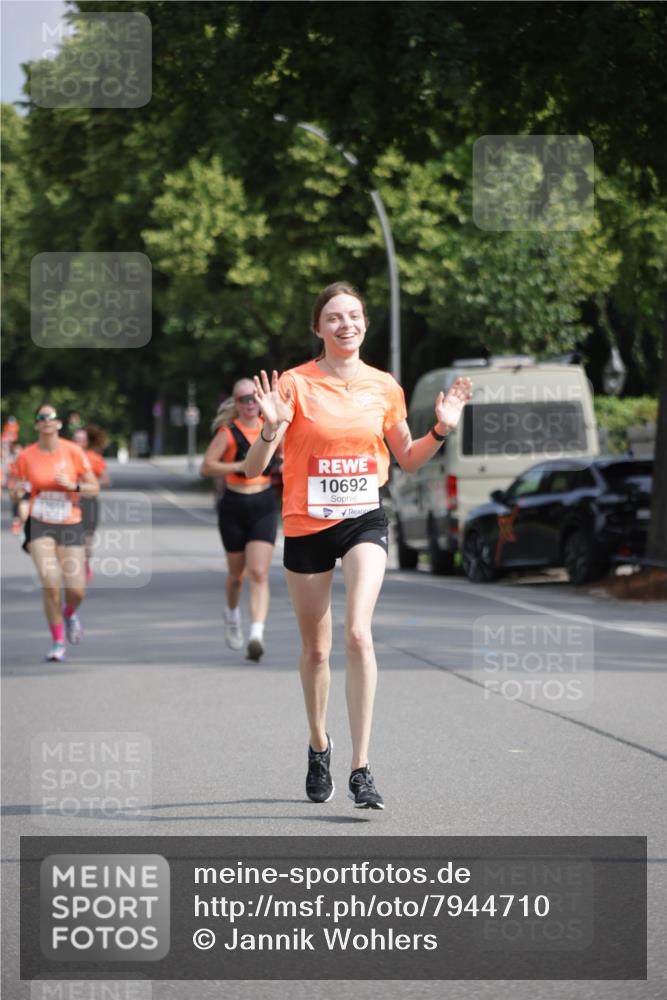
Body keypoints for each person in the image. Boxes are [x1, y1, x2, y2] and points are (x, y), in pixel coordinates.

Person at [244, 281, 472, 809]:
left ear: (365, 323)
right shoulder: (295, 385)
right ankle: (319, 743)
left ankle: (361, 767)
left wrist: (441, 428)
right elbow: (255, 469)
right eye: (334, 318)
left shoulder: (384, 386)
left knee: (358, 635)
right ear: (318, 328)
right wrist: (269, 430)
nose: (346, 324)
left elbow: (409, 460)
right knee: (317, 649)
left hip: (363, 520)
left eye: (354, 316)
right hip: (306, 524)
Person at [11, 404, 99, 662]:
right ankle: (58, 641)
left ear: (59, 423)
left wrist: (73, 485)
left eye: (51, 417)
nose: (46, 421)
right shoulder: (26, 456)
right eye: (41, 418)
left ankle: (70, 612)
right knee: (50, 582)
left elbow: (94, 488)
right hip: (40, 523)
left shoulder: (72, 451)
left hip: (70, 522)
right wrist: (17, 492)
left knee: (77, 589)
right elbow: (16, 487)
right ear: (37, 425)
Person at [200, 380, 280, 662]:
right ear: (236, 403)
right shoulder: (228, 432)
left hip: (264, 503)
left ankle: (256, 634)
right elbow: (207, 466)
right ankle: (233, 615)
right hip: (234, 504)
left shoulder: (270, 427)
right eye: (244, 399)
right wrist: (238, 466)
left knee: (259, 573)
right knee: (237, 576)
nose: (249, 403)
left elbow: (287, 457)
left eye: (254, 398)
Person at [72, 425, 112, 582]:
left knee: (87, 540)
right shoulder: (66, 456)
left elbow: (107, 480)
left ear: (87, 442)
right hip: (69, 503)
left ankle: (85, 564)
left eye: (81, 439)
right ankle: (73, 566)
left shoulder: (94, 458)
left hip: (88, 502)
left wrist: (90, 484)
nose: (77, 442)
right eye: (75, 439)